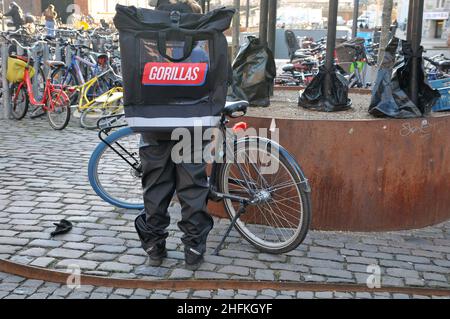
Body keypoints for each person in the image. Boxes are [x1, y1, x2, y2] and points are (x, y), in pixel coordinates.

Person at [135, 0, 211, 271]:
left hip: (154, 130)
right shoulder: (200, 55)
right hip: (191, 130)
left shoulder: (146, 52)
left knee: (155, 192)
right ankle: (193, 249)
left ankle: (155, 248)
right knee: (192, 192)